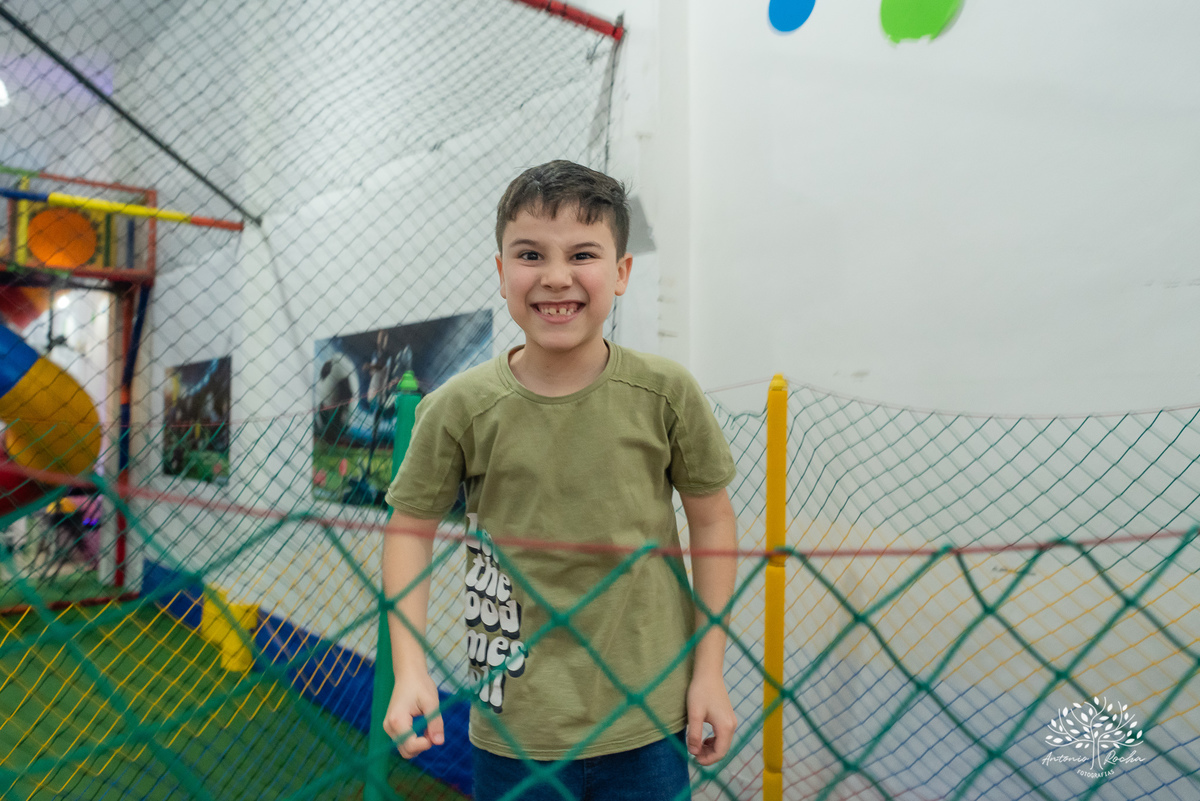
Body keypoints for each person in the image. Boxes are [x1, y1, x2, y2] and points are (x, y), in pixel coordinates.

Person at [381, 160, 739, 800]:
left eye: (582, 253)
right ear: (500, 272)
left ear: (622, 272)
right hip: (515, 726)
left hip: (649, 717)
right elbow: (409, 527)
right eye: (529, 254)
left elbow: (712, 519)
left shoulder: (665, 394)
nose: (554, 277)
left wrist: (708, 670)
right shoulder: (459, 408)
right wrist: (410, 668)